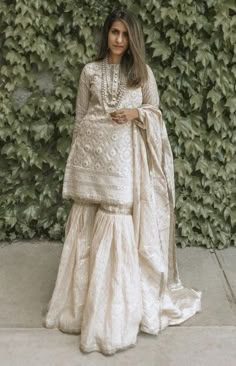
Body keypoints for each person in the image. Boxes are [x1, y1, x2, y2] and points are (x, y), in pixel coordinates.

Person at [43, 8, 202, 355]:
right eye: (114, 32)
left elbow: (155, 112)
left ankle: (113, 315)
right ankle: (82, 307)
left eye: (124, 34)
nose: (118, 39)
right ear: (107, 35)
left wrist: (135, 113)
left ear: (133, 39)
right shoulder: (90, 72)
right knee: (87, 224)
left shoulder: (142, 73)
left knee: (116, 220)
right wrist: (80, 158)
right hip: (93, 160)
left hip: (125, 165)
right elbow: (81, 116)